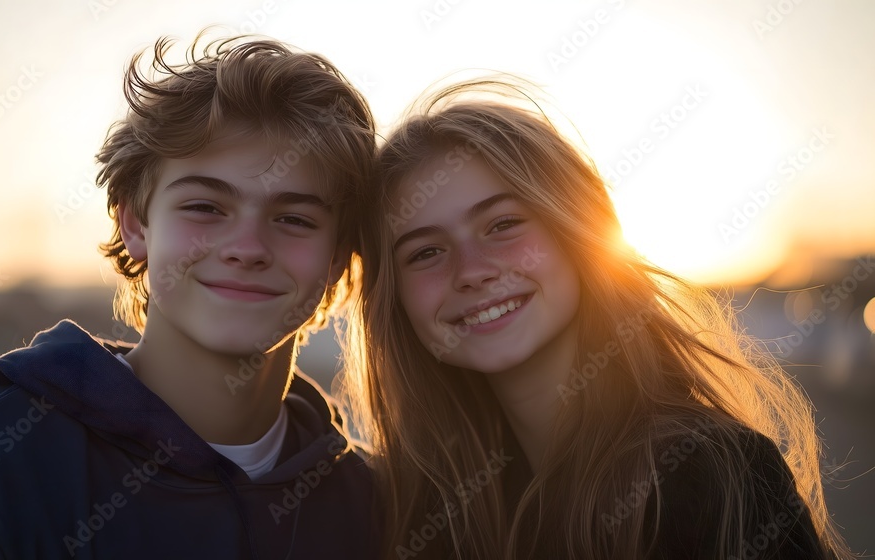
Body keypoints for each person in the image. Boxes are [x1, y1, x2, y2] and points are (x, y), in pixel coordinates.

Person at [0, 32, 379, 559]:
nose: (248, 248)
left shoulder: (378, 508)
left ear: (339, 258)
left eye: (294, 218)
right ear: (136, 224)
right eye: (205, 207)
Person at [341, 79, 853, 559]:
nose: (471, 271)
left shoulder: (708, 473)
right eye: (425, 252)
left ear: (578, 232)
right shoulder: (418, 506)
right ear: (394, 301)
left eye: (502, 224)